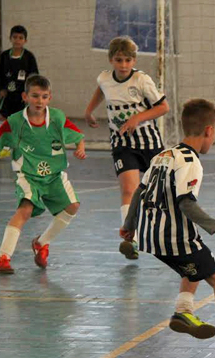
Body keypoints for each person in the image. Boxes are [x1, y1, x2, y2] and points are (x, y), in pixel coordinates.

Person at [120, 99, 215, 358]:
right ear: (209, 131)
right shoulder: (190, 161)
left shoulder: (161, 156)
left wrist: (129, 226)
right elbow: (186, 203)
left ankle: (183, 310)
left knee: (197, 262)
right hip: (174, 237)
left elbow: (138, 194)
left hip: (149, 236)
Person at [0, 75, 86, 274]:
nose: (40, 101)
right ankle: (2, 258)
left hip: (54, 174)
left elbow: (77, 134)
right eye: (35, 96)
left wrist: (80, 148)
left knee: (73, 206)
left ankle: (41, 243)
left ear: (50, 98)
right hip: (27, 174)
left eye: (44, 97)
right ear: (25, 96)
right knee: (25, 210)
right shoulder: (16, 122)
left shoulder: (57, 118)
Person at [84, 36, 169, 261]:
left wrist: (137, 118)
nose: (123, 65)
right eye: (119, 60)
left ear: (134, 60)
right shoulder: (104, 78)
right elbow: (101, 89)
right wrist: (89, 110)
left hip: (149, 143)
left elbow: (163, 107)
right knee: (129, 190)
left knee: (161, 191)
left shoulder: (142, 80)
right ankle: (130, 238)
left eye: (128, 60)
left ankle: (171, 231)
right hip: (122, 143)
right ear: (111, 60)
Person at [0, 25, 39, 159]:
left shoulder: (29, 57)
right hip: (8, 95)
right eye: (15, 37)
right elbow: (0, 74)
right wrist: (1, 88)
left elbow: (34, 76)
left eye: (20, 38)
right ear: (10, 38)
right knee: (2, 117)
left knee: (23, 122)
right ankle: (5, 148)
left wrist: (30, 94)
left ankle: (27, 148)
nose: (17, 40)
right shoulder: (4, 56)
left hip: (22, 96)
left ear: (25, 40)